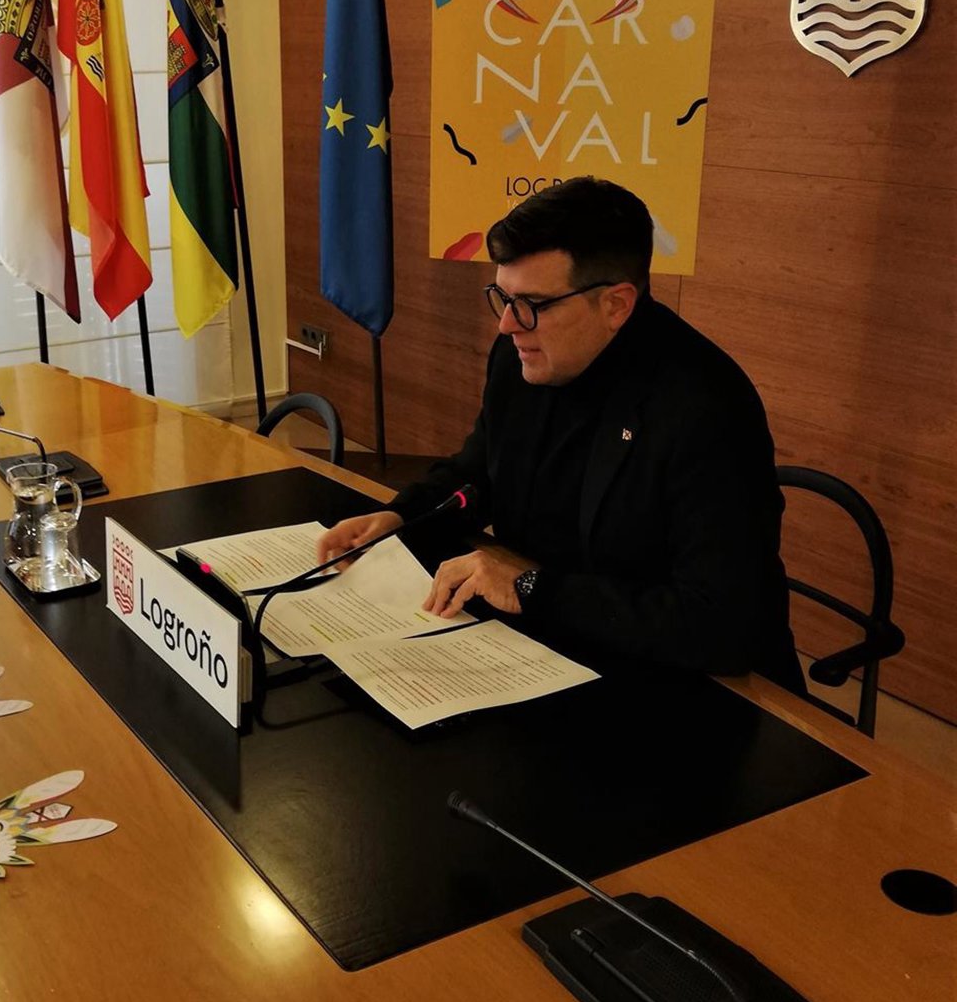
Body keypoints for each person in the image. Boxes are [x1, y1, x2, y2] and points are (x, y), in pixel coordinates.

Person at [317, 176, 803, 692]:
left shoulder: (705, 406)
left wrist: (530, 588)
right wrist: (401, 518)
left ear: (616, 305)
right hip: (553, 647)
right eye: (503, 297)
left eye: (532, 304)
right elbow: (476, 474)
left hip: (695, 688)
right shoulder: (520, 355)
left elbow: (722, 624)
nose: (507, 324)